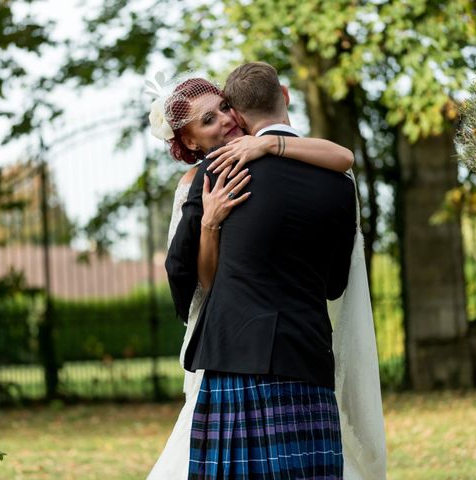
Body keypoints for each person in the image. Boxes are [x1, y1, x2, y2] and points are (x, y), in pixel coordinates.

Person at [150, 67, 385, 479]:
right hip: (306, 356)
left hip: (233, 357)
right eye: (209, 119)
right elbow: (333, 285)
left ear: (238, 111)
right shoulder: (338, 182)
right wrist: (209, 224)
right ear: (285, 95)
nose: (223, 121)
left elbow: (184, 280)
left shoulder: (215, 175)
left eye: (223, 109)